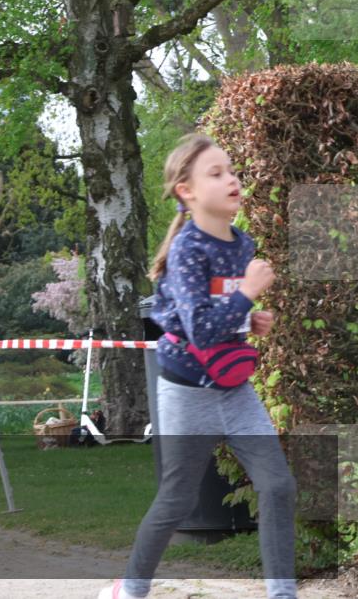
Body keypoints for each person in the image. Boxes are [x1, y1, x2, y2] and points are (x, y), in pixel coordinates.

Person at [98, 134, 295, 599]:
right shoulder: (188, 249)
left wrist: (251, 318)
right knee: (176, 501)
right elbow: (201, 330)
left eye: (233, 171)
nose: (232, 180)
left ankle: (283, 594)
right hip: (186, 392)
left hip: (235, 388)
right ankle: (129, 589)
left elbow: (221, 317)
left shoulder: (241, 243)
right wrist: (247, 293)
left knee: (279, 486)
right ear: (186, 190)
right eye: (217, 173)